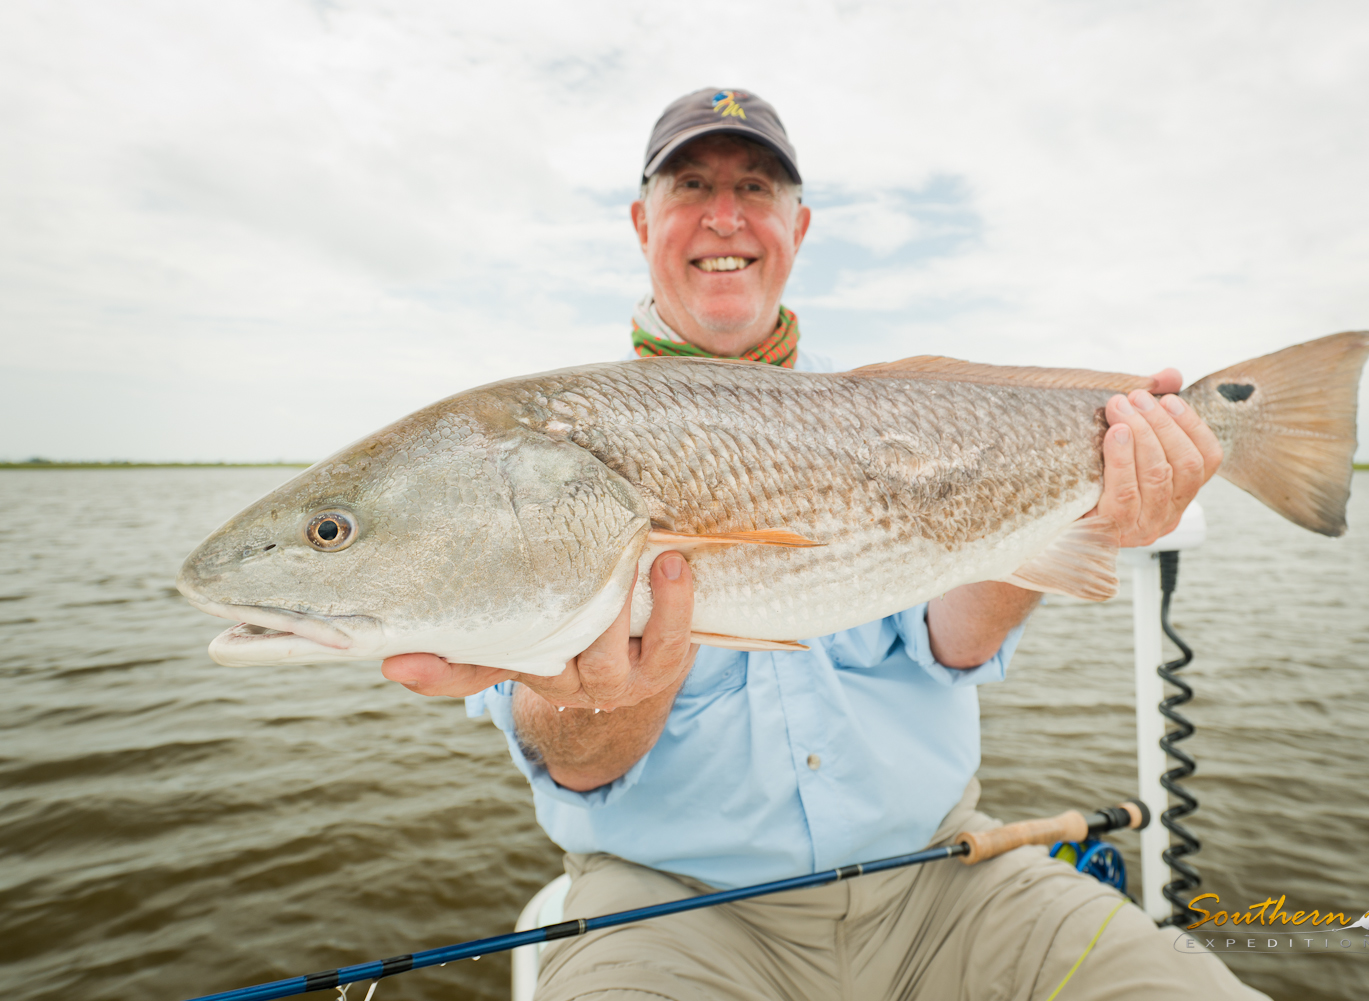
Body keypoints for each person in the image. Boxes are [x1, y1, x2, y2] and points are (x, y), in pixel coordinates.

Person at [383, 88, 1263, 1000]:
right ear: (643, 221)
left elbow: (952, 643)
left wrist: (1082, 513)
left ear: (797, 227)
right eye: (692, 183)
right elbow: (578, 762)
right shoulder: (539, 448)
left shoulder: (896, 419)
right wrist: (601, 700)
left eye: (756, 187)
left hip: (951, 877)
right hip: (666, 916)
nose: (725, 216)